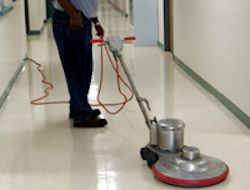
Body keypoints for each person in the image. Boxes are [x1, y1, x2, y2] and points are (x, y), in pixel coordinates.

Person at [52, 0, 107, 127]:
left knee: (84, 69)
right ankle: (81, 115)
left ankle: (78, 106)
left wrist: (95, 21)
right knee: (76, 69)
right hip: (69, 20)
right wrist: (73, 15)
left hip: (80, 19)